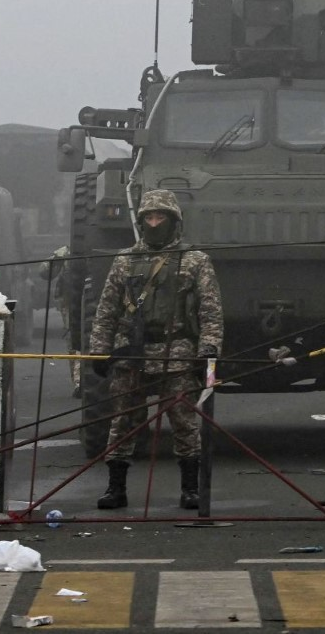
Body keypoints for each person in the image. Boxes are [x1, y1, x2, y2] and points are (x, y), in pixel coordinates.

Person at [89, 190, 223, 511]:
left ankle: (190, 489)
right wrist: (99, 350)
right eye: (148, 217)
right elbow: (106, 310)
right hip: (131, 353)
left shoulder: (195, 260)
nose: (154, 223)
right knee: (122, 423)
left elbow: (210, 310)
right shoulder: (124, 260)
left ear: (173, 221)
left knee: (184, 423)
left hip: (176, 353)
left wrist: (208, 347)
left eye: (160, 217)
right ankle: (116, 488)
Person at [39, 245, 81, 397]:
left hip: (92, 300)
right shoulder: (67, 252)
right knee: (74, 341)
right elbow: (44, 272)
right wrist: (57, 259)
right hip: (70, 303)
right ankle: (78, 382)